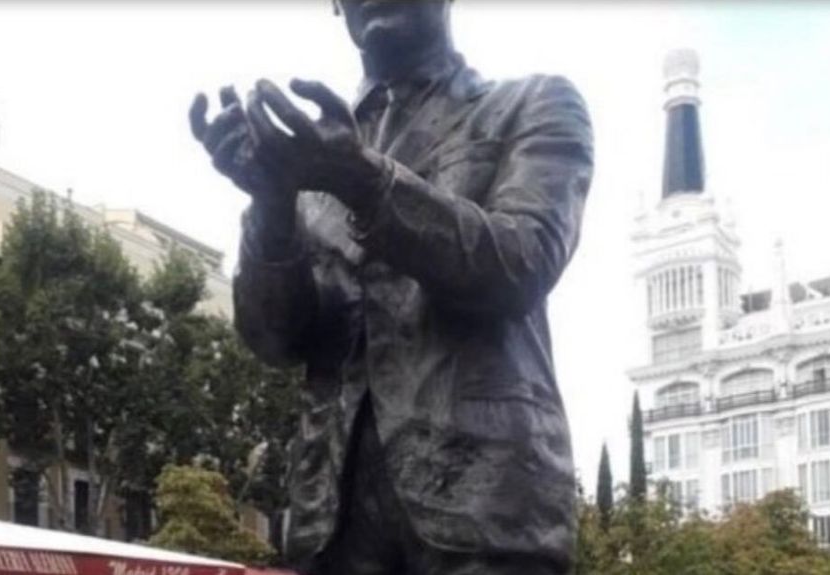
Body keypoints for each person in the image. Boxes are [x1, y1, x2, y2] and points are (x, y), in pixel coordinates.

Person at [189, 1, 593, 573]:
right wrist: (272, 200)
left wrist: (365, 181)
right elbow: (273, 339)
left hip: (485, 507)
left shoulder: (533, 104)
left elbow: (521, 261)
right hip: (331, 518)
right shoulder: (311, 154)